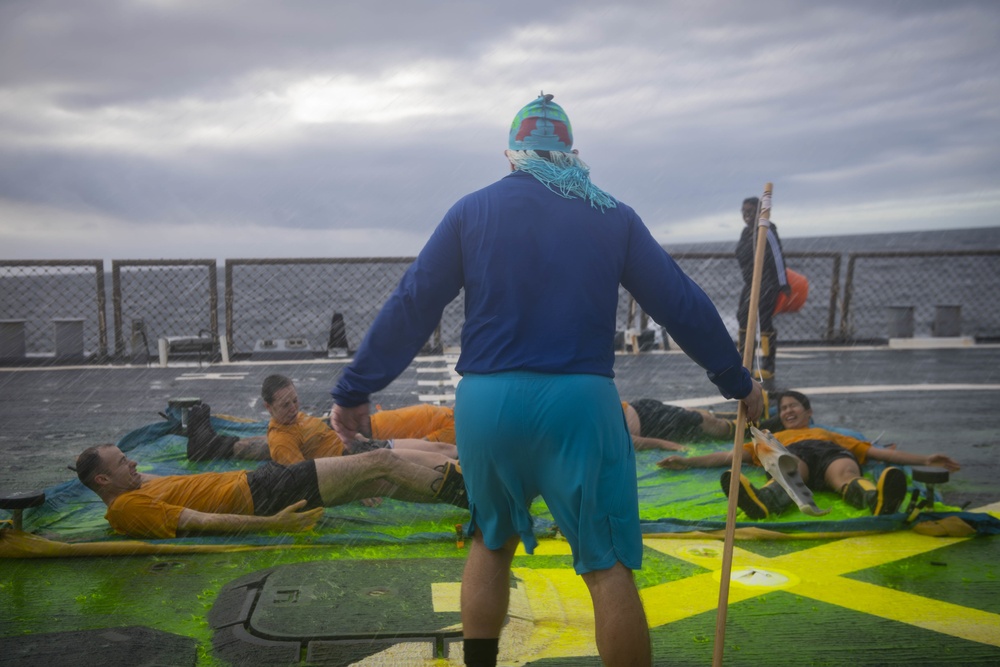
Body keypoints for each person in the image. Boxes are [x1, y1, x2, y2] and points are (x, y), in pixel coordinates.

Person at [328, 92, 763, 667]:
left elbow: (414, 303)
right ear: (571, 154)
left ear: (512, 155)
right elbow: (680, 304)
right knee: (606, 565)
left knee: (490, 539)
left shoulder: (471, 211)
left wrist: (356, 388)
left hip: (488, 402)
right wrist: (737, 381)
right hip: (580, 403)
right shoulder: (613, 215)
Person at [657, 390, 960, 518]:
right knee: (789, 470)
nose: (787, 411)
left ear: (808, 412)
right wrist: (687, 461)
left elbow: (880, 453)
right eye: (783, 407)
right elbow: (728, 456)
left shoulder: (829, 434)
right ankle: (763, 502)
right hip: (793, 455)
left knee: (845, 473)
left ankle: (877, 500)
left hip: (829, 453)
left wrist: (925, 459)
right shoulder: (772, 438)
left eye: (794, 406)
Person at [72, 442, 468, 539]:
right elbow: (201, 521)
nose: (134, 463)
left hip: (262, 483)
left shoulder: (138, 488)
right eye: (123, 463)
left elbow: (179, 497)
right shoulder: (126, 509)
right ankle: (475, 497)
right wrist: (272, 524)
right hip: (264, 494)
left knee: (382, 480)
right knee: (380, 460)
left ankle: (469, 494)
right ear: (103, 482)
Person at [185, 374, 457, 464]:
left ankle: (211, 445)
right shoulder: (282, 439)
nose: (293, 407)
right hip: (362, 458)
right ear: (268, 407)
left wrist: (357, 438)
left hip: (364, 446)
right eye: (285, 404)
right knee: (444, 455)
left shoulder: (294, 421)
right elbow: (308, 479)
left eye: (295, 400)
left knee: (446, 451)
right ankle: (211, 446)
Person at [736, 196, 789, 389]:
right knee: (742, 317)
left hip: (768, 282)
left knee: (763, 319)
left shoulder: (767, 229)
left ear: (760, 212)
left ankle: (768, 362)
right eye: (744, 212)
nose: (746, 216)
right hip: (751, 283)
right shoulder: (746, 232)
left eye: (750, 212)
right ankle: (745, 359)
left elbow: (777, 255)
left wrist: (783, 284)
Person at [622, 399, 739, 451]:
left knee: (705, 423)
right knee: (697, 424)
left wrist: (667, 445)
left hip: (652, 418)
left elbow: (632, 441)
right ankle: (731, 426)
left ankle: (738, 428)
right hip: (651, 420)